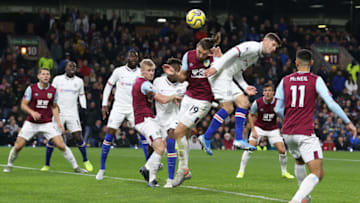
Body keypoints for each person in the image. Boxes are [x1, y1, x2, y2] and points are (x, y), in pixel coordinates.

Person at [274, 49, 357, 203]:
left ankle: (305, 197)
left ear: (296, 63)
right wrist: (348, 122)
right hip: (304, 132)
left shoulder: (285, 80)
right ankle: (296, 200)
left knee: (299, 161)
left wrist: (288, 119)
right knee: (318, 173)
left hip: (287, 132)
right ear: (312, 63)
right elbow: (330, 103)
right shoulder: (315, 80)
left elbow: (277, 109)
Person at [199, 32, 281, 155]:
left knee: (244, 103)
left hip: (227, 75)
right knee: (228, 108)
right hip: (220, 73)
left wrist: (245, 86)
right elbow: (232, 52)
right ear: (265, 41)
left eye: (275, 47)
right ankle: (207, 137)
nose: (273, 49)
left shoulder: (256, 56)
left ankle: (236, 139)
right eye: (273, 44)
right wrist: (215, 67)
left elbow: (236, 71)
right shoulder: (252, 47)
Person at [163, 33, 221, 187]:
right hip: (189, 97)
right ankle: (185, 170)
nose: (200, 55)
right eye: (199, 51)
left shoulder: (215, 60)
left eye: (203, 53)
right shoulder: (188, 56)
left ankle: (182, 171)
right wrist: (174, 74)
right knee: (184, 134)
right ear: (197, 47)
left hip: (203, 101)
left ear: (209, 52)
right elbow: (182, 77)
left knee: (178, 132)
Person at [3, 68, 87, 173]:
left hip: (47, 123)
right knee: (18, 146)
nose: (46, 76)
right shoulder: (31, 89)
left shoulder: (53, 90)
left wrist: (59, 122)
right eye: (43, 74)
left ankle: (76, 167)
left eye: (48, 74)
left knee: (61, 144)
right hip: (31, 123)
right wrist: (32, 112)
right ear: (38, 76)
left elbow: (54, 107)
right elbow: (23, 105)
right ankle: (9, 165)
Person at [134, 59, 180, 187]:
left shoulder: (144, 83)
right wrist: (174, 96)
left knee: (161, 146)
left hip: (149, 119)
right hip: (145, 120)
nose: (151, 73)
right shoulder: (145, 85)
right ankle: (147, 167)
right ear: (142, 71)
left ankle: (151, 179)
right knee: (160, 147)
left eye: (153, 70)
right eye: (148, 70)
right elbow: (163, 100)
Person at [96, 50, 142, 180]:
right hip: (119, 107)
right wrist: (104, 104)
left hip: (134, 108)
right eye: (130, 56)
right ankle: (102, 168)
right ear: (126, 58)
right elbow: (108, 86)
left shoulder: (141, 73)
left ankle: (149, 167)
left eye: (135, 57)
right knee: (109, 133)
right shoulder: (118, 71)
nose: (133, 58)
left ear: (138, 59)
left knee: (144, 133)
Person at [40, 61, 93, 172]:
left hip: (73, 113)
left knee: (78, 137)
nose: (72, 68)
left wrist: (84, 108)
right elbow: (51, 93)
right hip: (59, 113)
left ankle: (86, 160)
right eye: (70, 66)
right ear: (65, 68)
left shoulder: (79, 81)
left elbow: (81, 95)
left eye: (74, 67)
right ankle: (46, 164)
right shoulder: (58, 79)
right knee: (52, 139)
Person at [236, 83, 294, 179]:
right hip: (259, 128)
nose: (267, 93)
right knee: (249, 148)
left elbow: (284, 115)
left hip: (273, 128)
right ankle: (241, 171)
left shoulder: (278, 103)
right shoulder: (258, 102)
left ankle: (284, 172)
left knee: (282, 150)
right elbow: (251, 114)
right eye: (265, 91)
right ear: (263, 92)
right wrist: (253, 130)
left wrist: (285, 127)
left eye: (269, 91)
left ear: (273, 93)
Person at [153, 58, 188, 188]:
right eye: (174, 69)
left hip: (174, 118)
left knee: (171, 143)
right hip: (159, 119)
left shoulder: (183, 85)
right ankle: (151, 173)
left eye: (178, 69)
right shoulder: (158, 81)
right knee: (155, 147)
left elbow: (189, 99)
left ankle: (170, 179)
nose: (176, 72)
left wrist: (182, 100)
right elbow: (156, 98)